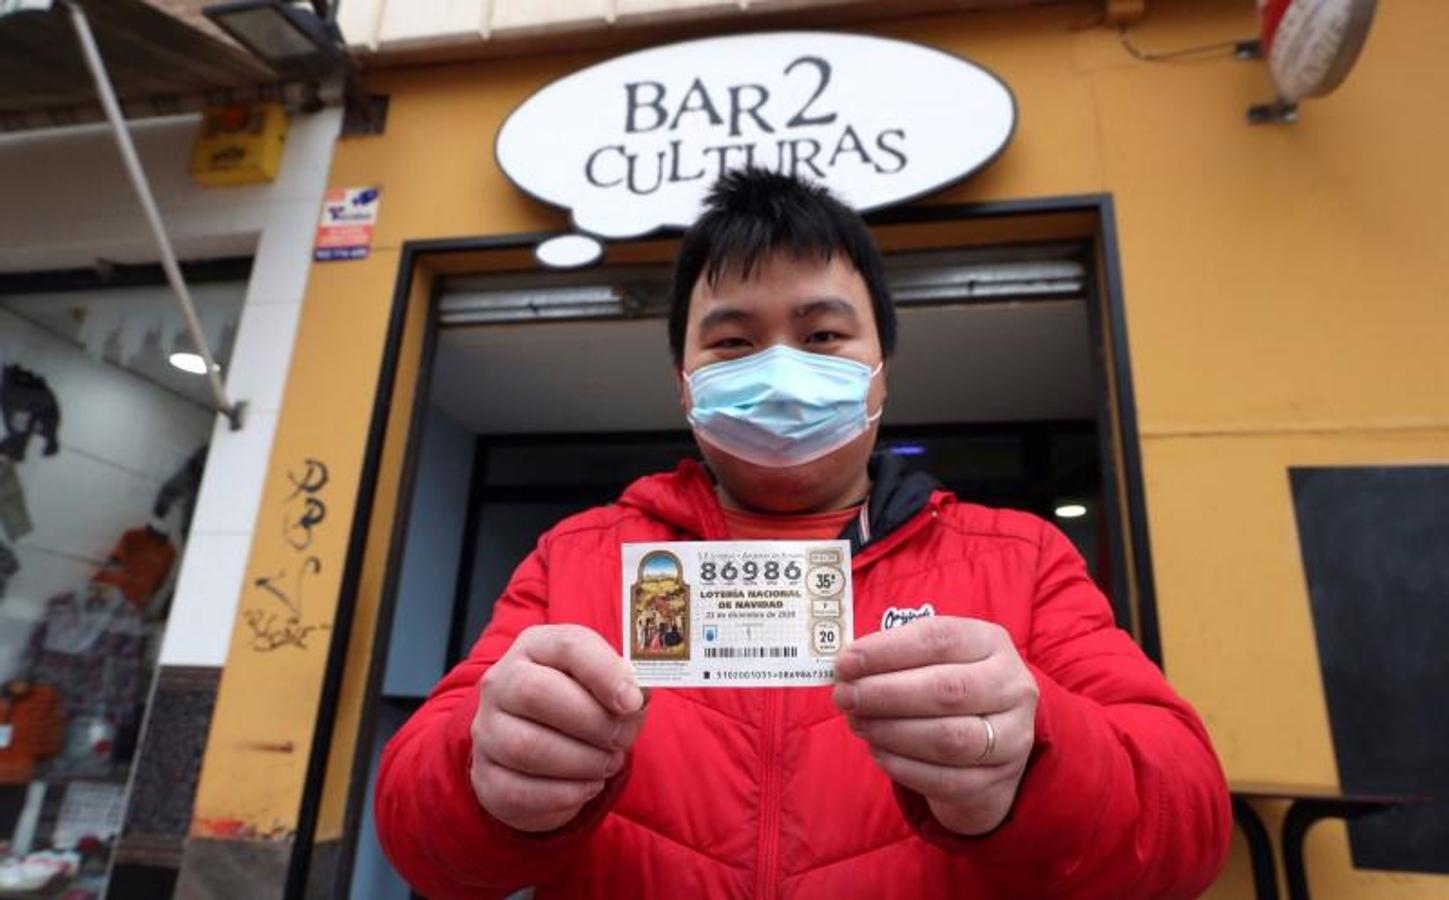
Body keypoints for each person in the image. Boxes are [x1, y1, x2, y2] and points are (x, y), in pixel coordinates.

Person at [374, 169, 1232, 898]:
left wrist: (1037, 759)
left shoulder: (1022, 558)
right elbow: (420, 838)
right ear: (685, 385)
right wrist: (481, 773)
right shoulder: (579, 558)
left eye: (821, 335)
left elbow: (1187, 826)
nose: (779, 371)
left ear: (876, 374)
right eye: (733, 342)